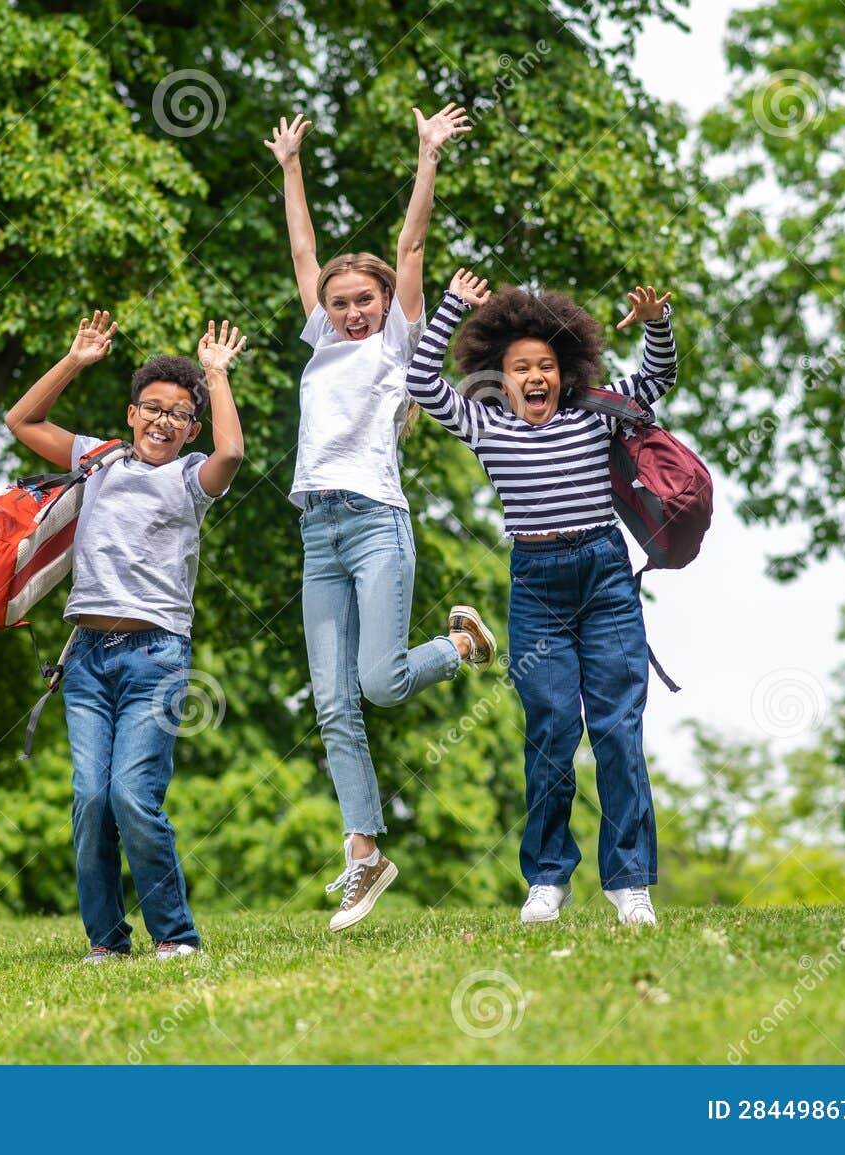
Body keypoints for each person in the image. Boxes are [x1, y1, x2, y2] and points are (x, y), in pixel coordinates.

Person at [265, 108, 498, 932]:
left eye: (363, 301)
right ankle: (363, 855)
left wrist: (427, 155)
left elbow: (410, 248)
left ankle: (462, 644)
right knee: (331, 701)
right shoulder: (322, 340)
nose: (353, 312)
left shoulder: (396, 341)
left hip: (374, 522)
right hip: (315, 529)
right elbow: (302, 250)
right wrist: (291, 165)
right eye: (341, 303)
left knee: (380, 683)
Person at [405, 268, 678, 927]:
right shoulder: (483, 423)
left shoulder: (596, 413)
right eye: (521, 366)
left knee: (617, 728)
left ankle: (630, 881)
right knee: (552, 728)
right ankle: (548, 878)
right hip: (536, 582)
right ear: (502, 376)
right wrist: (449, 308)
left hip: (605, 576)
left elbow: (657, 378)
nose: (535, 377)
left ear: (566, 371)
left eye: (546, 366)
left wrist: (656, 324)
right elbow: (419, 383)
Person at [5, 312, 247, 961]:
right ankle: (107, 940)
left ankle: (175, 933)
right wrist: (75, 359)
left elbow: (232, 453)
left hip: (156, 658)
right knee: (90, 798)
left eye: (179, 413)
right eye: (153, 408)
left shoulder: (189, 478)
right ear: (133, 413)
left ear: (190, 427)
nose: (164, 420)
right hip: (85, 660)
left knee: (131, 795)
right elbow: (22, 423)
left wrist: (216, 376)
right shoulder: (98, 459)